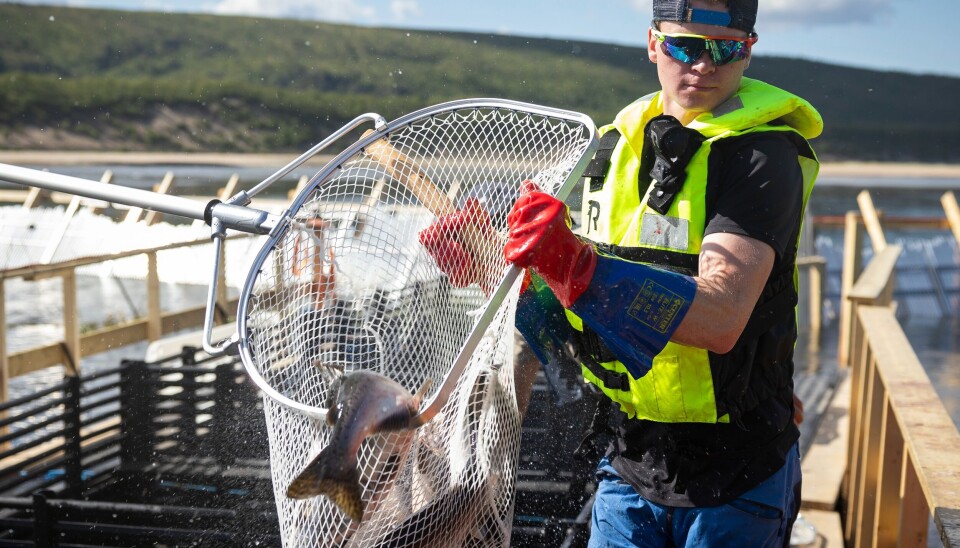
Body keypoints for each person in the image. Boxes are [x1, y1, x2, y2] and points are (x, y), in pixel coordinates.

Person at [421, 0, 822, 545]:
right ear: (654, 44)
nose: (703, 64)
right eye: (684, 46)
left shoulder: (761, 158)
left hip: (738, 471)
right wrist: (495, 268)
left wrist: (577, 265)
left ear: (748, 52)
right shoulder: (610, 153)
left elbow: (722, 317)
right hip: (629, 458)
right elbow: (564, 315)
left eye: (725, 49)